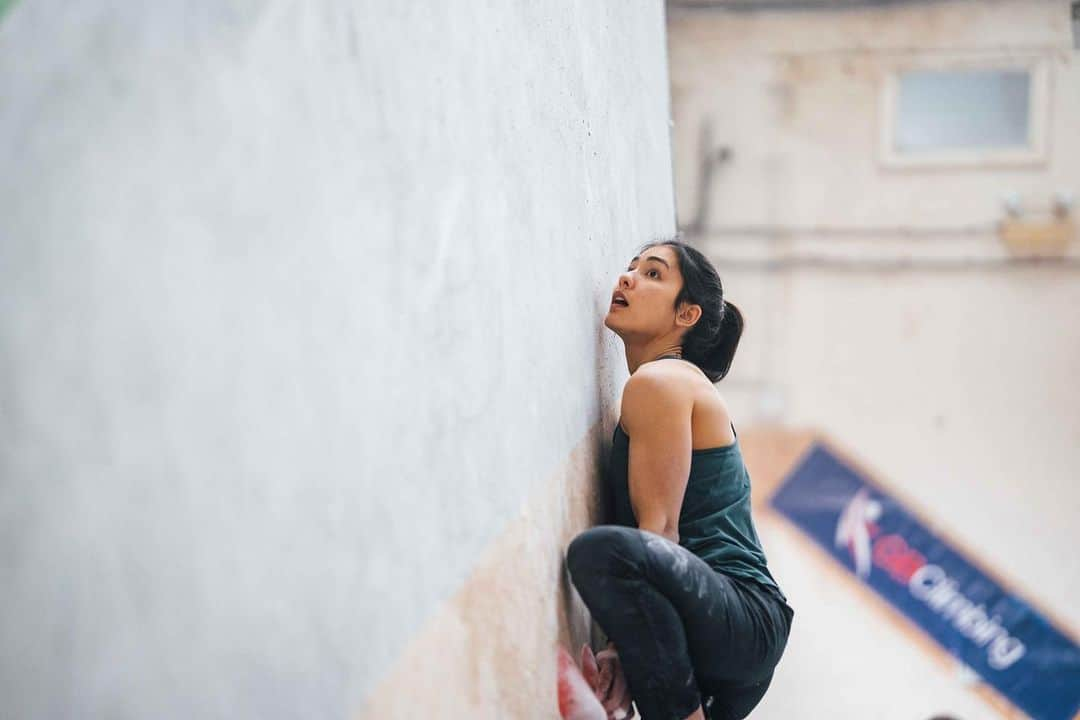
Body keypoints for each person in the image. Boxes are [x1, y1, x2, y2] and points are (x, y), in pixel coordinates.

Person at [565, 238, 794, 720]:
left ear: (686, 315)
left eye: (652, 274)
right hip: (721, 642)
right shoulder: (663, 385)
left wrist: (620, 645)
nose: (626, 279)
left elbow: (661, 533)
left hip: (740, 615)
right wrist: (623, 646)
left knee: (600, 552)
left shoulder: (663, 381)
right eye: (629, 268)